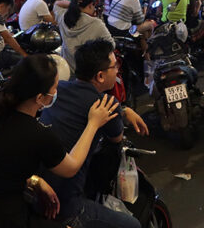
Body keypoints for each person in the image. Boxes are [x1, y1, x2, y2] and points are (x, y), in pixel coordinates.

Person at [0, 54, 118, 228]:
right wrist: (93, 123)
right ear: (40, 98)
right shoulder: (38, 135)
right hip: (2, 220)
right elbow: (71, 167)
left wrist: (35, 181)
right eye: (55, 88)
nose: (57, 92)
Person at [40, 40, 145, 228]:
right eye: (114, 66)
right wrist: (120, 111)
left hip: (38, 192)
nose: (117, 71)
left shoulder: (59, 89)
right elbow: (116, 139)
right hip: (66, 206)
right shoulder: (106, 103)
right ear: (100, 76)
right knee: (133, 225)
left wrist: (124, 110)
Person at [54, 0, 114, 73]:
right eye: (94, 6)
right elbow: (111, 45)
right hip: (86, 72)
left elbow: (57, 3)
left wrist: (73, 5)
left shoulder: (63, 17)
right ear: (90, 5)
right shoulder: (96, 24)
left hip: (67, 68)